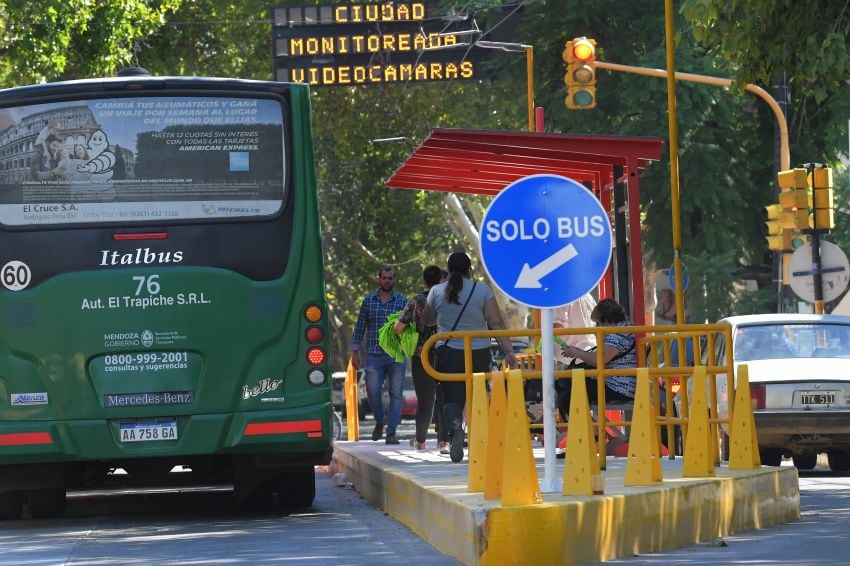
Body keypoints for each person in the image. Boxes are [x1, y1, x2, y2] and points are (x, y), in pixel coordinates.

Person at [422, 252, 517, 462]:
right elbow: (497, 323)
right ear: (469, 270)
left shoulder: (436, 292)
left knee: (451, 398)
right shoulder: (482, 291)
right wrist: (509, 351)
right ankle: (480, 442)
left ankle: (455, 429)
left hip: (449, 353)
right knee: (479, 396)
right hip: (479, 353)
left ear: (447, 271)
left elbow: (427, 320)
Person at [393, 265, 448, 452]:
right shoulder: (448, 298)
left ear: (424, 281)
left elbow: (398, 327)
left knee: (425, 400)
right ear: (442, 278)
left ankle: (421, 442)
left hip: (421, 355)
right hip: (445, 352)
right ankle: (443, 441)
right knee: (444, 397)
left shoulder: (416, 301)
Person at [351, 265, 408, 444]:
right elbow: (360, 326)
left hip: (396, 355)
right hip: (374, 355)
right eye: (384, 278)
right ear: (379, 279)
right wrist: (355, 351)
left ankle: (391, 432)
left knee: (396, 393)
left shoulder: (402, 302)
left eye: (390, 278)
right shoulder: (368, 301)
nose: (387, 281)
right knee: (372, 391)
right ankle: (379, 420)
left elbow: (410, 328)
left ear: (394, 280)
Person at [558, 298, 637, 420]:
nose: (596, 327)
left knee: (567, 397)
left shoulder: (616, 334)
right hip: (615, 383)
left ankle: (586, 433)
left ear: (606, 320)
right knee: (563, 384)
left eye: (598, 323)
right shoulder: (624, 329)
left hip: (617, 386)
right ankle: (590, 430)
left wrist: (577, 352)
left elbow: (599, 359)